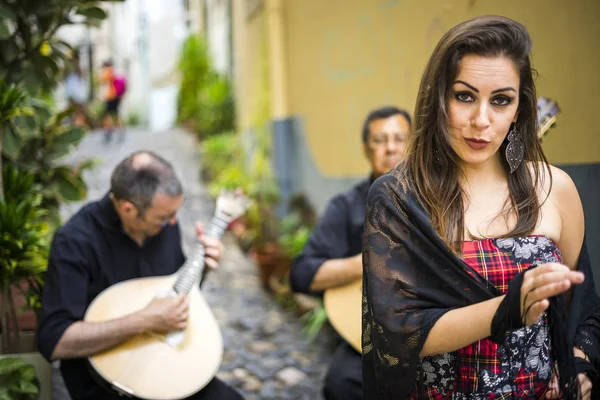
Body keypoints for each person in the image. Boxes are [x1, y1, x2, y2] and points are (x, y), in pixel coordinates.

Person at [361, 15, 600, 399]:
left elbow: (583, 309)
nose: (481, 120)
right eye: (465, 96)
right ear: (438, 100)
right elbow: (399, 332)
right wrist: (506, 310)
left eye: (501, 100)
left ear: (519, 109)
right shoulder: (399, 198)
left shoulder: (555, 188)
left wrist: (579, 365)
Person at [37, 151, 243, 400]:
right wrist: (144, 320)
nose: (173, 222)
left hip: (164, 365)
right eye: (163, 217)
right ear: (128, 209)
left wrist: (203, 266)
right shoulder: (75, 242)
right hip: (105, 380)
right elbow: (55, 340)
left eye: (175, 213)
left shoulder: (165, 224)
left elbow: (173, 296)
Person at [290, 106, 412, 400]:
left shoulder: (440, 200)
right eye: (380, 140)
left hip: (431, 325)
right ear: (365, 149)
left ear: (413, 144)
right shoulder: (345, 207)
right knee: (341, 382)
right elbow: (302, 274)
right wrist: (368, 262)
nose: (391, 148)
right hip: (371, 332)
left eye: (399, 138)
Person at [100, 60, 124, 143]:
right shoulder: (113, 71)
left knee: (108, 115)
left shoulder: (108, 71)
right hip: (114, 97)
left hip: (111, 97)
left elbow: (103, 80)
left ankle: (109, 131)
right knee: (114, 114)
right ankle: (116, 131)